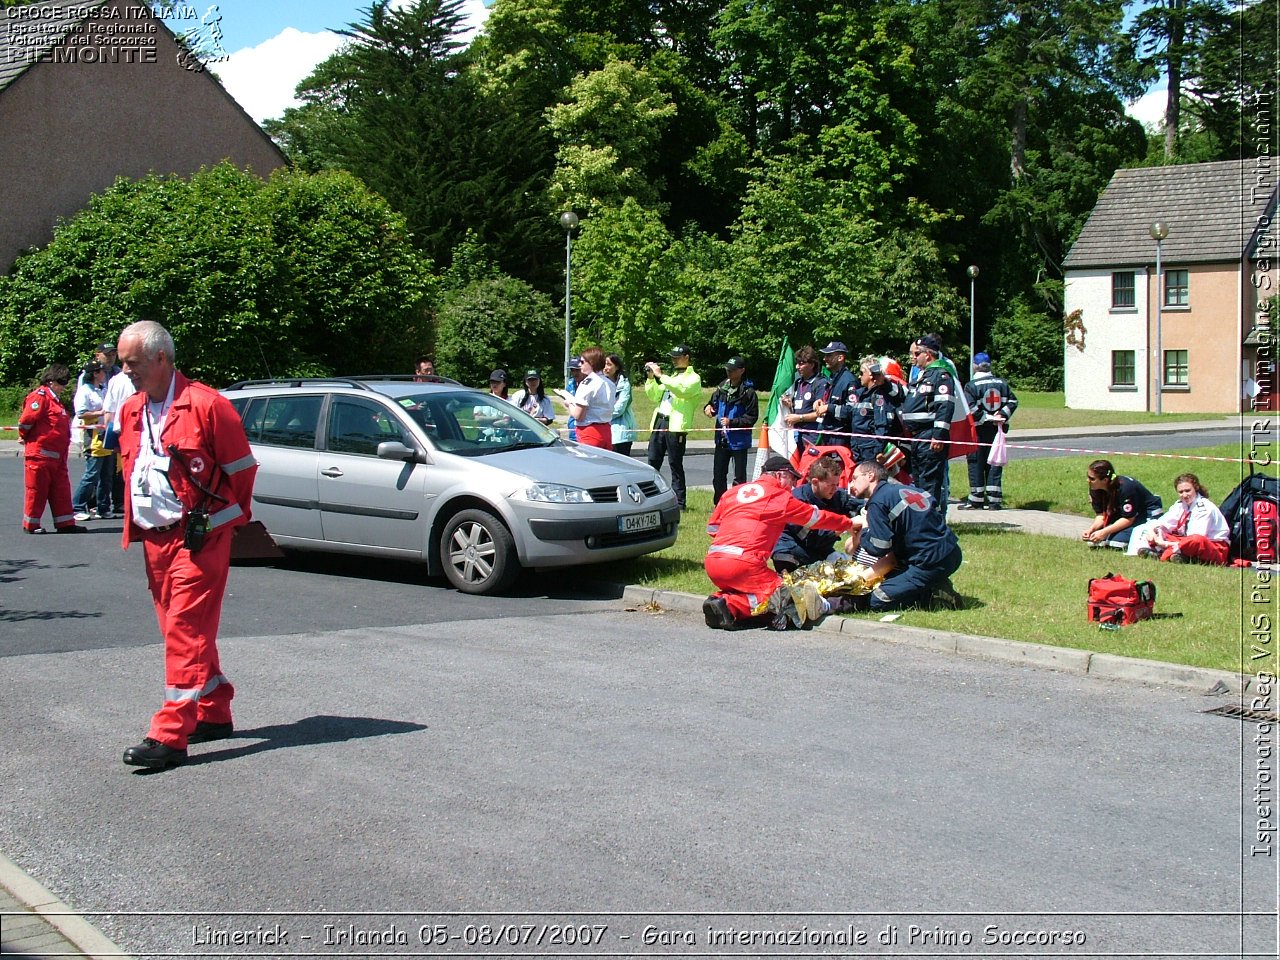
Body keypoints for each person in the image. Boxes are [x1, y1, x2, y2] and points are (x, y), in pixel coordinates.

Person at [116, 320, 258, 770]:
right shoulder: (132, 409)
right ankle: (214, 710)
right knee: (181, 630)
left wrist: (217, 524)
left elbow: (242, 473)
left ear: (161, 358)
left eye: (133, 364)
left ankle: (170, 732)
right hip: (153, 541)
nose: (126, 373)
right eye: (123, 365)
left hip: (197, 540)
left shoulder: (208, 406)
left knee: (185, 630)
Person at [703, 455, 855, 629]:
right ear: (780, 475)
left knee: (754, 587)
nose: (794, 485)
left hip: (713, 563)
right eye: (793, 478)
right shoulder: (778, 498)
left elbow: (713, 528)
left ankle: (720, 601)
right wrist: (848, 523)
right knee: (788, 597)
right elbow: (816, 518)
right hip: (744, 564)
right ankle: (730, 604)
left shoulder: (732, 493)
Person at [848, 460, 963, 611]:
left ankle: (933, 593)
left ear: (870, 476)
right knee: (894, 578)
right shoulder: (906, 490)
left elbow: (879, 547)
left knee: (876, 600)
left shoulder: (878, 502)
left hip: (928, 563)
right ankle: (934, 582)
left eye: (854, 478)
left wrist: (864, 530)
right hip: (951, 551)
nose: (851, 484)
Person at [18, 363, 86, 534]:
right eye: (62, 382)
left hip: (57, 457)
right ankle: (31, 525)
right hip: (40, 455)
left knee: (61, 490)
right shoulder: (39, 397)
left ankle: (65, 523)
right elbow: (26, 421)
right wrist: (25, 437)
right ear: (51, 381)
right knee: (37, 490)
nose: (64, 386)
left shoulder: (55, 401)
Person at [771, 454, 859, 573]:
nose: (835, 488)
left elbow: (858, 505)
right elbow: (812, 539)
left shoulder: (836, 495)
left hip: (818, 551)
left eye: (837, 484)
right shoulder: (797, 501)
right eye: (831, 485)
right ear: (815, 482)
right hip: (791, 553)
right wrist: (842, 526)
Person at [899, 335, 953, 514]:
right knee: (919, 482)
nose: (913, 357)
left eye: (916, 353)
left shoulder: (941, 375)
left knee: (930, 484)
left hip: (930, 436)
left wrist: (938, 435)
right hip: (917, 437)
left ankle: (931, 521)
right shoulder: (922, 376)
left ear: (928, 355)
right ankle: (920, 520)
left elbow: (944, 406)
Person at [1127, 473, 1230, 565]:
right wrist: (1154, 532)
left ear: (1196, 488)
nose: (1184, 495)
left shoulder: (1204, 508)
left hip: (1213, 547)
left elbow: (1194, 538)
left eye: (1187, 491)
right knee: (1154, 529)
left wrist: (1164, 543)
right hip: (1185, 541)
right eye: (1181, 492)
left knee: (1195, 540)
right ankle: (1177, 555)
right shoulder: (1180, 505)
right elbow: (1163, 522)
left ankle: (1162, 555)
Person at [644, 345, 701, 510]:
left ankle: (680, 502)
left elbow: (681, 391)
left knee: (675, 464)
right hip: (660, 421)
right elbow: (654, 395)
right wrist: (650, 378)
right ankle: (650, 497)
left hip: (676, 425)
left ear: (687, 357)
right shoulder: (672, 377)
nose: (674, 360)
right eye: (672, 357)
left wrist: (661, 375)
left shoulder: (694, 378)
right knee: (653, 461)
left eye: (677, 357)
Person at [959, 352, 1018, 510]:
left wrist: (986, 417)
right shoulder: (1002, 383)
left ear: (975, 366)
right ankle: (995, 501)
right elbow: (1013, 401)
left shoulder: (971, 386)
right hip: (996, 430)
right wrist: (1002, 414)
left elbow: (970, 408)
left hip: (978, 430)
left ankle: (976, 499)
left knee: (976, 462)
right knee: (994, 462)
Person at [704, 356, 759, 504]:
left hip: (739, 441)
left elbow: (752, 417)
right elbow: (712, 404)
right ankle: (719, 506)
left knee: (739, 477)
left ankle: (738, 506)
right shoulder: (722, 387)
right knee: (718, 476)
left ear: (741, 371)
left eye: (732, 370)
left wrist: (732, 422)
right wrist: (708, 409)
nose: (729, 372)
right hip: (721, 440)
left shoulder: (748, 392)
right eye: (727, 369)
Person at [1081, 459, 1163, 550]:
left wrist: (1104, 532)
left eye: (1092, 478)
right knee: (1094, 542)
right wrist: (1091, 529)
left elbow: (1128, 519)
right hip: (1123, 514)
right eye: (1088, 476)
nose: (1087, 480)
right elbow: (1101, 515)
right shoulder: (1095, 488)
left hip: (1145, 512)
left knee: (1116, 543)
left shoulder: (1126, 487)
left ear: (1105, 480)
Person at [72, 361, 116, 520]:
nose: (105, 374)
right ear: (95, 373)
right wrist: (101, 412)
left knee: (107, 474)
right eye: (102, 371)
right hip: (93, 435)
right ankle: (77, 506)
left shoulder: (103, 389)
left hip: (106, 433)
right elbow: (81, 413)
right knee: (92, 474)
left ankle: (102, 507)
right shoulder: (85, 391)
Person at [849, 354, 906, 467]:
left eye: (861, 373)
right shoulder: (862, 394)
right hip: (859, 447)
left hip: (871, 450)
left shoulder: (879, 396)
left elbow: (882, 425)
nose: (859, 376)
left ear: (870, 375)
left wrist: (878, 450)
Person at [557, 347, 615, 450]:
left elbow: (579, 415)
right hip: (606, 430)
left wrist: (569, 404)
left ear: (591, 363)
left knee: (588, 464)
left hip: (589, 431)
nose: (580, 365)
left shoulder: (587, 383)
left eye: (582, 362)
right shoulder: (609, 382)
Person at [779, 345, 829, 450]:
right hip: (797, 435)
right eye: (797, 363)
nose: (797, 367)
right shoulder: (798, 382)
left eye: (801, 364)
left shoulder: (820, 383)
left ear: (812, 364)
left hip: (813, 436)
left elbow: (820, 413)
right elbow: (799, 406)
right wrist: (789, 404)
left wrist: (799, 418)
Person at [811, 341, 856, 448]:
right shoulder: (832, 377)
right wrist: (821, 402)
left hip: (840, 436)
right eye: (825, 355)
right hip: (827, 433)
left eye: (829, 355)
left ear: (840, 358)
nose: (824, 358)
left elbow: (852, 410)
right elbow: (833, 400)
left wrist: (828, 408)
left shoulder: (849, 380)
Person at [604, 353, 636, 456]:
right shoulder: (601, 383)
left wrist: (602, 415)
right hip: (605, 430)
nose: (605, 368)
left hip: (621, 432)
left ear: (617, 367)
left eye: (609, 364)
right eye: (604, 364)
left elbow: (619, 409)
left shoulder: (624, 384)